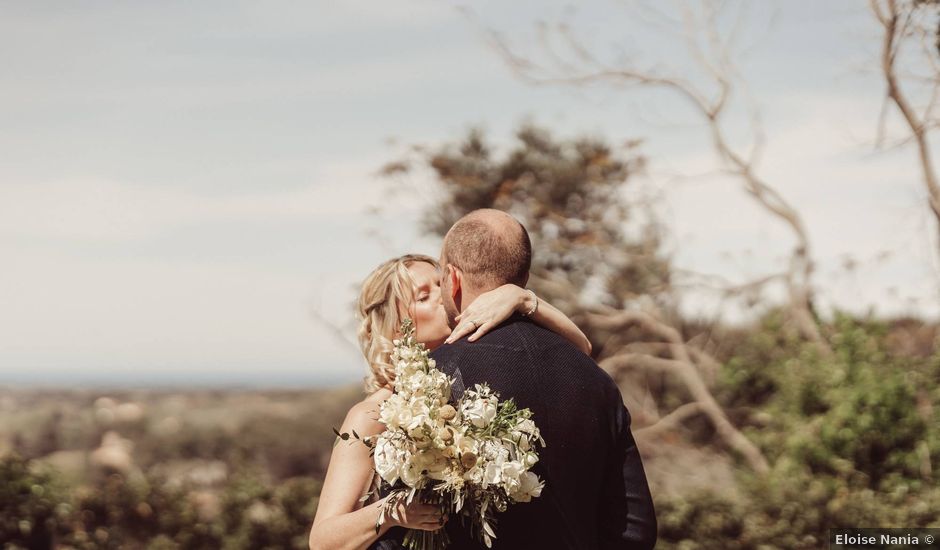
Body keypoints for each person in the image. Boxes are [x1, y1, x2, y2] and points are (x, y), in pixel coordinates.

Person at [308, 253, 592, 550]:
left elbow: (579, 351)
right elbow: (323, 540)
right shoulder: (371, 414)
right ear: (394, 323)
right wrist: (392, 510)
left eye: (440, 286)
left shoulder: (478, 388)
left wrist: (521, 298)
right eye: (423, 296)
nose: (442, 299)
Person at [432, 209, 657, 549]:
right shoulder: (595, 378)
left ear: (453, 278)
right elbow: (635, 528)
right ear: (523, 274)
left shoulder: (434, 376)